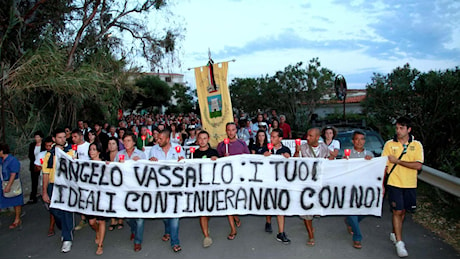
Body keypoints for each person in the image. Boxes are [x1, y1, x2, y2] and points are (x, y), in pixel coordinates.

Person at [382, 117, 423, 258]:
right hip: (394, 183)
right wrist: (382, 184)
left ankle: (394, 232)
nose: (398, 131)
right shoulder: (389, 144)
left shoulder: (416, 145)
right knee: (397, 211)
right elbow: (384, 165)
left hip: (410, 184)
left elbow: (418, 165)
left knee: (403, 211)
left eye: (401, 128)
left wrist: (398, 161)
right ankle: (400, 242)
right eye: (397, 128)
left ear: (408, 129)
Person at [148, 129, 185, 253]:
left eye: (160, 139)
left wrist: (182, 161)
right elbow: (148, 168)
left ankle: (175, 242)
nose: (157, 141)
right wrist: (151, 162)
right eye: (157, 138)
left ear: (168, 139)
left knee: (174, 215)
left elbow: (186, 166)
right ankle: (167, 230)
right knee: (164, 213)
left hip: (175, 187)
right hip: (160, 187)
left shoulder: (178, 148)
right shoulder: (153, 150)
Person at [42, 128, 76, 253]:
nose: (63, 139)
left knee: (67, 211)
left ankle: (67, 238)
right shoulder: (49, 154)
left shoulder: (71, 151)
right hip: (53, 185)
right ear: (54, 139)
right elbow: (46, 173)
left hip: (66, 186)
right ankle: (66, 228)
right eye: (60, 137)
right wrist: (44, 191)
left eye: (64, 137)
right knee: (55, 210)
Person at [294, 127, 329, 247]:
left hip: (318, 184)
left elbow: (328, 163)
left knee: (315, 210)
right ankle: (310, 234)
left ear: (317, 137)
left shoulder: (324, 148)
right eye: (307, 135)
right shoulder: (303, 147)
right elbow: (295, 161)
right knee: (306, 210)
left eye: (310, 136)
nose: (307, 138)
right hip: (306, 184)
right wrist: (297, 151)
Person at [217, 122, 250, 240]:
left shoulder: (242, 143)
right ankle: (233, 229)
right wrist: (222, 159)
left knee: (236, 201)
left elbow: (248, 159)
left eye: (233, 130)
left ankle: (235, 216)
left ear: (236, 131)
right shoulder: (221, 145)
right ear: (226, 131)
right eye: (228, 130)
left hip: (238, 178)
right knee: (227, 202)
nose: (231, 132)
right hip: (226, 178)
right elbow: (216, 162)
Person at [114, 132, 146, 252]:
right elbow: (114, 170)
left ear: (133, 142)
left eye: (129, 141)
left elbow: (147, 171)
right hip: (124, 189)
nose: (126, 143)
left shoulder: (141, 154)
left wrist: (140, 162)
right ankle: (134, 229)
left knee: (139, 217)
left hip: (138, 189)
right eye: (124, 140)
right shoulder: (119, 154)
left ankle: (138, 241)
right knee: (126, 215)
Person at [343, 130, 374, 249]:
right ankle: (357, 237)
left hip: (364, 188)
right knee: (351, 211)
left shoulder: (369, 154)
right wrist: (344, 162)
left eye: (362, 139)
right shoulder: (347, 154)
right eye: (357, 139)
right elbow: (341, 170)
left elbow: (374, 170)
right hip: (350, 187)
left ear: (364, 141)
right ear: (353, 141)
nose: (359, 142)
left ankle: (350, 221)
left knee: (365, 210)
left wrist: (371, 162)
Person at [261, 129, 291, 244]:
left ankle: (281, 232)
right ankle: (268, 221)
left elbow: (292, 164)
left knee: (280, 207)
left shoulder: (285, 150)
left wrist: (289, 157)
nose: (271, 139)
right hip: (268, 181)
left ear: (280, 139)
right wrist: (263, 157)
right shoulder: (265, 149)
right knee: (269, 204)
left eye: (274, 137)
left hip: (280, 182)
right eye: (271, 137)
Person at [193, 130, 219, 248]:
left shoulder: (214, 152)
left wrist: (218, 160)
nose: (202, 141)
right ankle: (206, 236)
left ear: (208, 139)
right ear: (197, 140)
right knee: (202, 211)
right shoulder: (194, 154)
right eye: (200, 138)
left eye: (204, 138)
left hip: (212, 185)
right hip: (200, 186)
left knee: (210, 210)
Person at [86, 142, 107, 255]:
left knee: (101, 220)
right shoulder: (85, 164)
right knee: (92, 222)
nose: (91, 151)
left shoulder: (104, 164)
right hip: (90, 197)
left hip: (102, 196)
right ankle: (97, 231)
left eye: (94, 149)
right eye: (90, 149)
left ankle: (100, 245)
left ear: (99, 151)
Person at [35, 136, 56, 237]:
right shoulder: (41, 155)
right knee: (49, 205)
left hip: (55, 182)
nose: (49, 147)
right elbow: (35, 168)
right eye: (47, 146)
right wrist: (40, 167)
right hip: (45, 182)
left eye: (50, 145)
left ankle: (52, 226)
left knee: (54, 205)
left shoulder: (58, 154)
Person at [0, 143, 24, 230]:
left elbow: (13, 173)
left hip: (12, 183)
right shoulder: (2, 160)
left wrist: (9, 185)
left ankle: (17, 219)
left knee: (16, 200)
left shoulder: (12, 160)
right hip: (3, 182)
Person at [71, 129, 90, 232]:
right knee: (80, 197)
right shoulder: (71, 148)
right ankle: (83, 218)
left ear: (81, 136)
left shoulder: (88, 146)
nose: (73, 139)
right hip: (76, 176)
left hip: (87, 176)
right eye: (72, 137)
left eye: (75, 137)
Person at [106, 137, 124, 231]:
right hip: (108, 180)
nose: (111, 146)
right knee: (110, 199)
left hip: (119, 181)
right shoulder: (105, 156)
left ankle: (120, 219)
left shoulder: (121, 155)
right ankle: (113, 220)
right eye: (109, 143)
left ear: (117, 145)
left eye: (113, 143)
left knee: (119, 199)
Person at [27, 130, 44, 204]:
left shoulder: (44, 145)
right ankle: (33, 197)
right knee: (34, 181)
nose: (36, 138)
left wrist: (41, 163)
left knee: (43, 180)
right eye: (35, 137)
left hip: (42, 164)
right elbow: (30, 155)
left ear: (41, 138)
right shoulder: (32, 145)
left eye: (38, 137)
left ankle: (44, 194)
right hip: (34, 164)